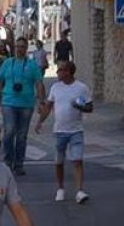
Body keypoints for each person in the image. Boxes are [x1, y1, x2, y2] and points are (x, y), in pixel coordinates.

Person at [35, 61, 92, 203]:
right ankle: (60, 188)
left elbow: (89, 107)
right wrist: (40, 121)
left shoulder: (81, 88)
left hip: (76, 130)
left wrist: (79, 106)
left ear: (68, 72)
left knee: (77, 160)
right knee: (59, 161)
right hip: (59, 131)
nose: (57, 72)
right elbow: (48, 106)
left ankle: (79, 191)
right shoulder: (55, 88)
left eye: (60, 70)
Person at [0, 37, 45, 175]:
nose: (19, 49)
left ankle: (19, 164)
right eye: (17, 46)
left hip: (26, 104)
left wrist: (41, 102)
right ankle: (7, 162)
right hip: (8, 103)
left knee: (22, 136)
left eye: (22, 46)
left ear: (26, 49)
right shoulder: (7, 63)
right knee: (8, 133)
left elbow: (39, 83)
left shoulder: (32, 65)